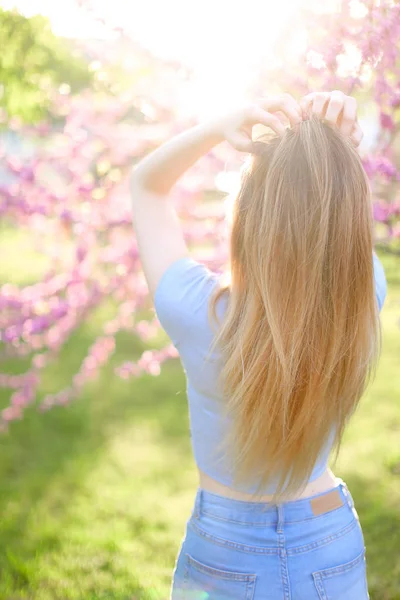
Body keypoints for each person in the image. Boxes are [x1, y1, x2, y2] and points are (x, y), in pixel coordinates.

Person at [130, 91, 388, 599]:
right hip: (330, 536)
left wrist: (214, 127)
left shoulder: (197, 311)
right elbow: (339, 232)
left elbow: (147, 186)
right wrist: (340, 153)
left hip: (224, 549)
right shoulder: (363, 299)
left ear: (248, 218)